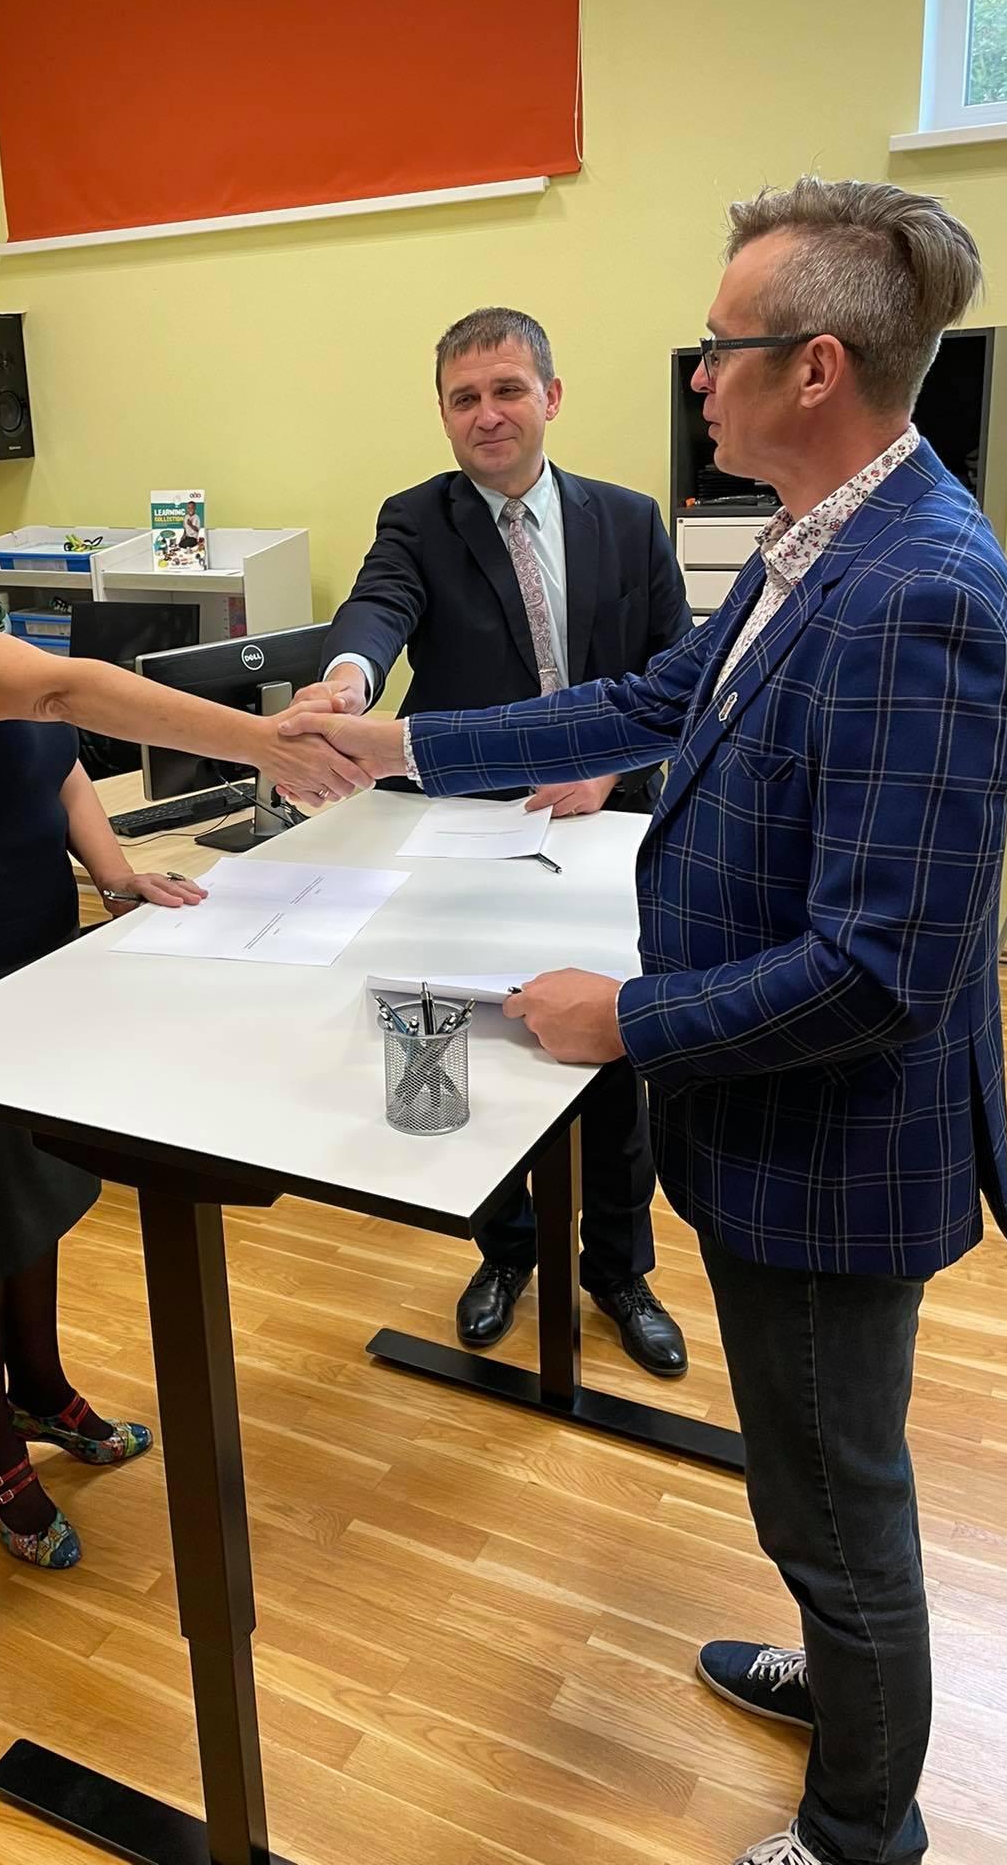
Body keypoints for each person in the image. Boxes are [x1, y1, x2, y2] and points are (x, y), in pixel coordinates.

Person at [284, 180, 1007, 1865]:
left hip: (837, 1143)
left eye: (721, 344)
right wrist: (400, 746)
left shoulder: (918, 591)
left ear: (816, 366)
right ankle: (842, 1678)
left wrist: (626, 1018)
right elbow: (642, 702)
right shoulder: (814, 538)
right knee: (805, 1477)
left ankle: (858, 1828)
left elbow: (880, 970)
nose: (697, 374)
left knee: (837, 1496)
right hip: (773, 1116)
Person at [0, 359, 365, 1573]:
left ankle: (45, 1389)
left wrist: (114, 874)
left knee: (35, 1190)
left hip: (26, 945)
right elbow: (63, 687)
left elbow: (49, 744)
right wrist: (263, 739)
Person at [296, 307, 693, 1377]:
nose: (487, 414)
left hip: (604, 823)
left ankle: (619, 1269)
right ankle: (507, 1250)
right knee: (481, 1034)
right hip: (470, 831)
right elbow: (376, 609)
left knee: (610, 1052)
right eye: (464, 397)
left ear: (550, 397)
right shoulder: (417, 519)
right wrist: (348, 682)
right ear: (443, 414)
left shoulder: (628, 519)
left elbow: (677, 668)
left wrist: (607, 764)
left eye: (508, 389)